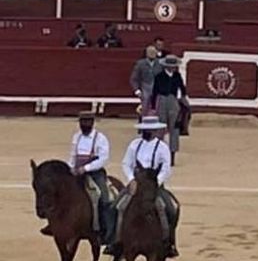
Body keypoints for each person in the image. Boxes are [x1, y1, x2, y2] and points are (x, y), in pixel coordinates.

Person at [106, 116, 177, 258]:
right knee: (116, 207)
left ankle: (168, 242)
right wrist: (131, 179)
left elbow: (166, 169)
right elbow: (126, 163)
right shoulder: (135, 145)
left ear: (155, 131)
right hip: (136, 184)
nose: (146, 132)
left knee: (170, 208)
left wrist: (156, 182)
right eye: (144, 130)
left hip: (153, 185)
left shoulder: (162, 148)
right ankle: (115, 241)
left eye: (149, 130)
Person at [62, 111, 112, 243]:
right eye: (82, 122)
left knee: (105, 198)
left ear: (92, 123)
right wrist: (71, 168)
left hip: (95, 173)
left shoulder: (100, 138)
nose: (84, 125)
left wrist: (85, 168)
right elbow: (72, 156)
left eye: (87, 122)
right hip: (77, 172)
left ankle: (105, 230)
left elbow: (103, 159)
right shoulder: (76, 137)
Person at [150, 55, 187, 165]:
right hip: (162, 100)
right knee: (160, 129)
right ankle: (160, 154)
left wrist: (182, 100)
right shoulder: (159, 76)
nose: (172, 68)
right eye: (170, 66)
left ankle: (172, 156)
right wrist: (153, 106)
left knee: (174, 128)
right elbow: (155, 91)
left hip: (173, 100)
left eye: (173, 66)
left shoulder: (177, 76)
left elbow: (183, 89)